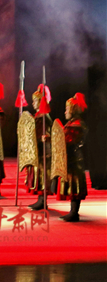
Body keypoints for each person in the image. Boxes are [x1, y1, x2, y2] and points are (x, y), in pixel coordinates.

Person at [55, 93, 89, 222]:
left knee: (75, 186)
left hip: (74, 159)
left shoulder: (77, 125)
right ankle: (72, 211)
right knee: (72, 185)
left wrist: (53, 138)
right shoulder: (71, 124)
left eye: (67, 109)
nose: (65, 112)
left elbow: (68, 141)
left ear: (73, 110)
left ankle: (74, 212)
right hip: (71, 159)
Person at [26, 84, 54, 211]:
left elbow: (45, 133)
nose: (33, 103)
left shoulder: (44, 117)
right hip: (37, 150)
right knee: (38, 175)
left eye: (35, 101)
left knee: (43, 176)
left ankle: (43, 201)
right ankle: (40, 199)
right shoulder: (37, 116)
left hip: (44, 151)